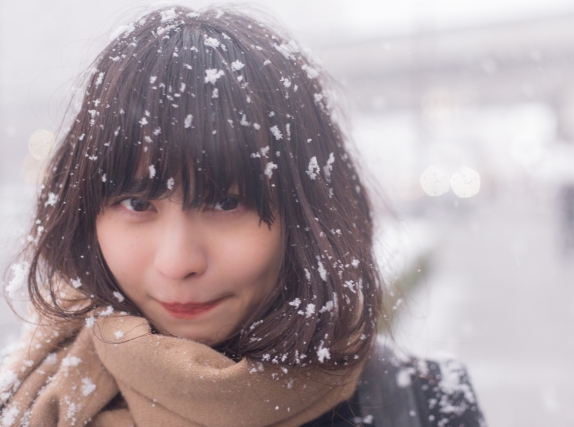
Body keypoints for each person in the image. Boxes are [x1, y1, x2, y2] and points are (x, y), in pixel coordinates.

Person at [0, 6, 485, 427]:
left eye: (226, 203)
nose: (177, 262)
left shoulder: (423, 406)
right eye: (136, 204)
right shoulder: (34, 397)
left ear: (307, 214)